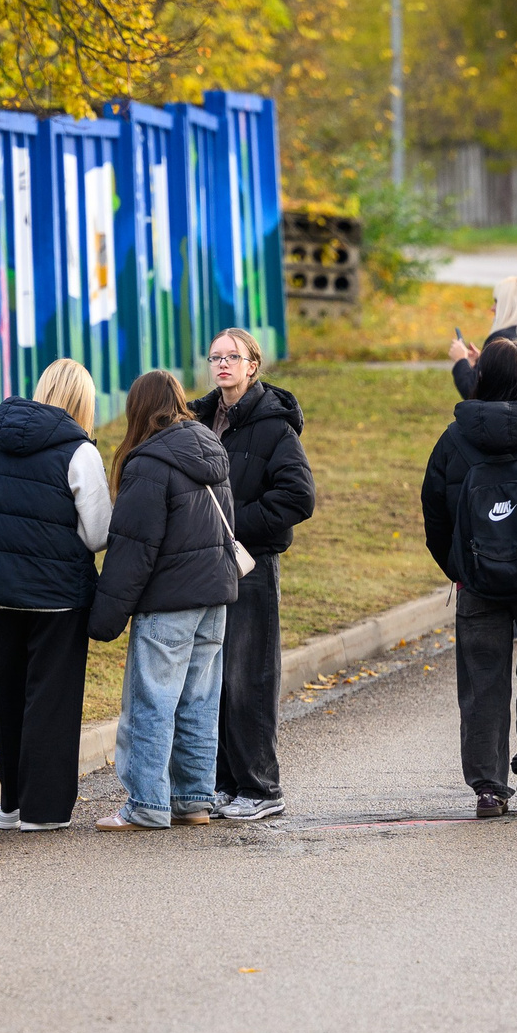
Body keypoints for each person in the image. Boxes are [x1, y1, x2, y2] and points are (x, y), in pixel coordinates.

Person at [0, 358, 112, 830]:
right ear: (83, 401)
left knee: (7, 696)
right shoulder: (79, 451)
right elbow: (99, 531)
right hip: (58, 595)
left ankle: (11, 805)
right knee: (51, 699)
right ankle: (43, 810)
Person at [420, 340, 517, 816]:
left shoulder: (453, 439)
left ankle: (488, 787)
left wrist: (460, 569)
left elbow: (435, 512)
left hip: (477, 583)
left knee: (482, 684)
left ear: (481, 375)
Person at [90, 370, 242, 831]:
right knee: (198, 700)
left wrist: (104, 617)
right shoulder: (211, 449)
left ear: (139, 408)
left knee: (151, 702)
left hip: (169, 602)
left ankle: (146, 805)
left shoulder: (147, 463)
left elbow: (132, 549)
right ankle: (193, 800)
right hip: (214, 597)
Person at [190, 329, 316, 822]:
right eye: (215, 356)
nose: (222, 364)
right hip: (204, 565)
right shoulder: (200, 419)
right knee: (215, 680)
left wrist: (231, 523)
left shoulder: (273, 426)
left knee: (249, 678)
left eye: (232, 357)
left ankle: (262, 789)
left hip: (251, 565)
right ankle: (225, 783)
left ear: (252, 366)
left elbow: (298, 498)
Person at [447, 275, 517, 393]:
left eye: (497, 302)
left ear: (509, 305)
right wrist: (483, 360)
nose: (492, 308)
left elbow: (473, 390)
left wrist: (460, 360)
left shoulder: (502, 340)